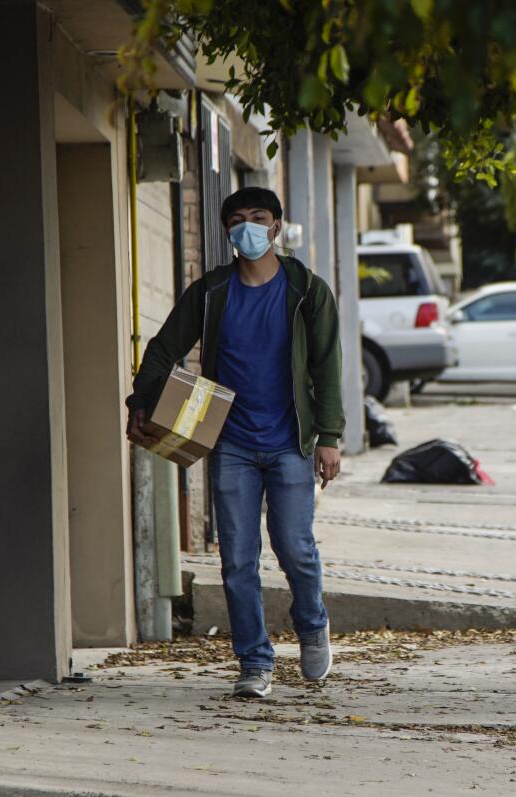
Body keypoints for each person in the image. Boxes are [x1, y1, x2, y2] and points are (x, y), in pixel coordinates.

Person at [126, 186, 344, 698]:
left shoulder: (307, 290)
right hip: (231, 445)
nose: (248, 226)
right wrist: (142, 400)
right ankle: (255, 661)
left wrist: (329, 437)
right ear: (228, 231)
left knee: (296, 548)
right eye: (238, 219)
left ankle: (312, 625)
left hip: (291, 440)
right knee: (238, 560)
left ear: (275, 227)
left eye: (258, 217)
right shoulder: (210, 293)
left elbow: (326, 366)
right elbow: (161, 350)